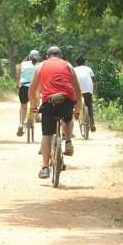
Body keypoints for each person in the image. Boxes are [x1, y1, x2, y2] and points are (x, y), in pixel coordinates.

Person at [29, 46, 83, 179]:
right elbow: (77, 88)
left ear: (47, 56)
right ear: (61, 55)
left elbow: (32, 89)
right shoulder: (68, 65)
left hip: (49, 102)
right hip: (66, 100)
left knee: (47, 134)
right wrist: (78, 108)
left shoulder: (40, 66)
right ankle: (68, 141)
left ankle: (45, 168)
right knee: (68, 119)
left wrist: (34, 107)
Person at [15, 50, 40, 136]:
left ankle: (21, 124)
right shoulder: (39, 65)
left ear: (29, 56)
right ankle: (35, 116)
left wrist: (18, 86)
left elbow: (18, 76)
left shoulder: (22, 64)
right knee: (36, 103)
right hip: (34, 88)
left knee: (23, 107)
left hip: (24, 87)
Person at [74, 56, 96, 132]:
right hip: (88, 90)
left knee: (74, 102)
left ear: (76, 63)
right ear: (84, 62)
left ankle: (76, 113)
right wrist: (92, 89)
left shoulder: (74, 69)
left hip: (77, 90)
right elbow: (93, 79)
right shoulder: (88, 69)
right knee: (89, 105)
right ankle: (92, 123)